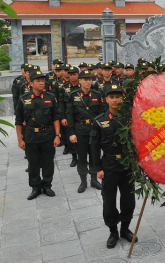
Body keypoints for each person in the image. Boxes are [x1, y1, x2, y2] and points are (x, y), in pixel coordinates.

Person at [91, 84, 136, 249]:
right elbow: (94, 146)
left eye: (118, 96)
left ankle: (125, 228)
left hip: (127, 166)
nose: (115, 100)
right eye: (112, 97)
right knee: (109, 202)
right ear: (106, 99)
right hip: (109, 166)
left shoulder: (130, 118)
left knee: (128, 200)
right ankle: (113, 231)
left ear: (122, 98)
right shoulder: (99, 121)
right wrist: (98, 168)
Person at [15, 70, 62, 200]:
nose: (42, 83)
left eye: (43, 81)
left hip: (47, 135)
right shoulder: (23, 99)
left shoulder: (50, 97)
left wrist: (57, 135)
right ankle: (35, 187)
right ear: (31, 84)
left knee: (48, 162)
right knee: (33, 163)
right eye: (38, 81)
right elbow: (18, 121)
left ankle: (47, 185)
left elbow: (56, 118)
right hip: (30, 136)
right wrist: (20, 139)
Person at [67, 70, 105, 193]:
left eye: (90, 79)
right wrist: (71, 133)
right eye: (85, 79)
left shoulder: (97, 94)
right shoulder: (74, 95)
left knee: (95, 156)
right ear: (80, 81)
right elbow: (70, 115)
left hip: (94, 131)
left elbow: (101, 114)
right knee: (82, 157)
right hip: (80, 131)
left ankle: (94, 180)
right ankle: (83, 181)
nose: (88, 82)